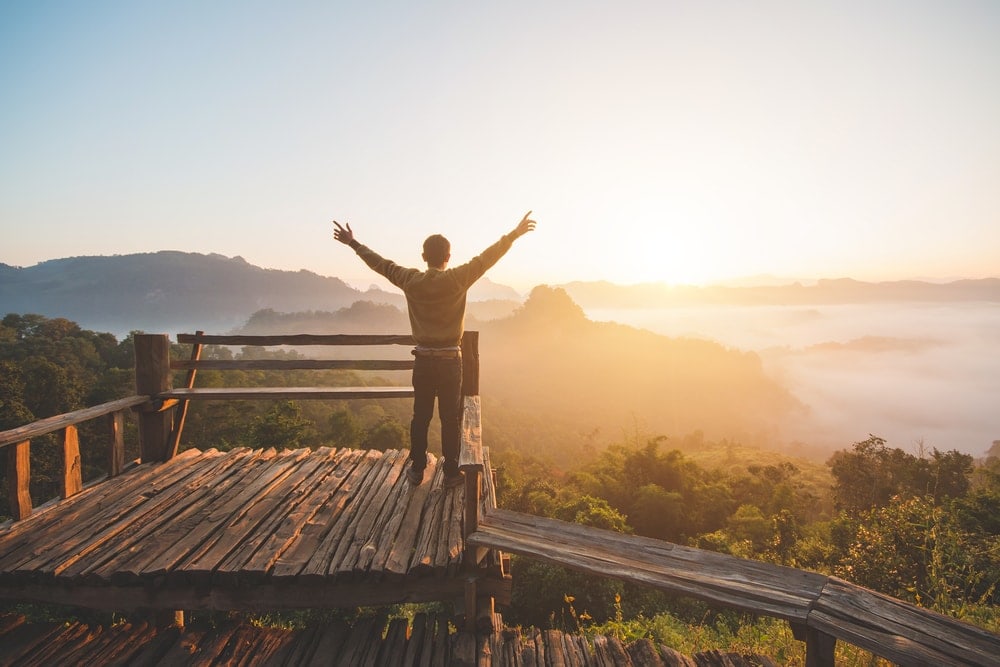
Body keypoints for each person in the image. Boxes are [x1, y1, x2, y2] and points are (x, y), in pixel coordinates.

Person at [333, 212, 536, 487]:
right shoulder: (458, 279)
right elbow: (487, 258)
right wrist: (513, 234)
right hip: (451, 360)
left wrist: (354, 244)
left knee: (421, 416)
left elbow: (380, 264)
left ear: (423, 256)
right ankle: (451, 473)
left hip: (424, 361)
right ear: (448, 256)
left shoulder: (410, 280)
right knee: (450, 419)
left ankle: (417, 469)